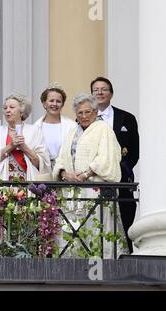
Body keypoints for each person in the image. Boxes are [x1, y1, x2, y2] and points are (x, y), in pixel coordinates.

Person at [53, 93, 127, 258]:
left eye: (88, 112)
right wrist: (64, 174)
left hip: (94, 191)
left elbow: (107, 157)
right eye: (80, 113)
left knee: (95, 231)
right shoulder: (72, 132)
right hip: (72, 194)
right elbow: (61, 158)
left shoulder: (103, 129)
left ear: (95, 112)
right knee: (72, 233)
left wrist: (86, 174)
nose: (84, 116)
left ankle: (100, 269)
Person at [91, 76, 139, 253]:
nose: (100, 92)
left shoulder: (127, 118)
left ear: (111, 93)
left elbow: (135, 150)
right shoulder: (86, 118)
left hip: (121, 177)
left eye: (104, 89)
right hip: (95, 177)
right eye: (96, 90)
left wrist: (123, 169)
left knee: (125, 215)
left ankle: (125, 255)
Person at [0, 93, 50, 182]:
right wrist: (10, 146)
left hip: (28, 184)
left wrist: (24, 147)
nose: (7, 110)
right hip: (4, 184)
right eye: (5, 108)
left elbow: (41, 164)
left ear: (22, 111)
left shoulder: (35, 131)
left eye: (11, 107)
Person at [34, 84, 76, 170]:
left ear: (62, 104)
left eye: (58, 101)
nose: (55, 104)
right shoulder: (36, 127)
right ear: (44, 103)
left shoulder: (72, 126)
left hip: (66, 172)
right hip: (42, 173)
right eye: (51, 100)